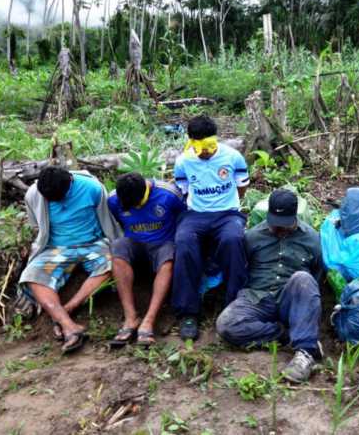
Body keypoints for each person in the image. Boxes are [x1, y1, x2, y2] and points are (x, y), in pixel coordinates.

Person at [216, 189, 324, 383]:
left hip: (289, 298)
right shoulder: (253, 236)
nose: (279, 229)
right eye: (275, 224)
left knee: (304, 278)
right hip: (257, 297)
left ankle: (306, 353)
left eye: (284, 225)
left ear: (295, 217)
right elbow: (241, 270)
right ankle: (284, 335)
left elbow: (316, 277)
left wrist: (302, 302)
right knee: (226, 324)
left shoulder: (312, 239)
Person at [18, 167, 121, 353]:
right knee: (32, 275)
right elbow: (36, 225)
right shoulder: (34, 194)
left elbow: (109, 220)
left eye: (58, 197)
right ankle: (69, 326)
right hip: (56, 248)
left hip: (94, 243)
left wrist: (117, 245)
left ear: (70, 184)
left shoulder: (92, 188)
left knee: (112, 264)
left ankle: (68, 309)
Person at [172, 115, 250, 341]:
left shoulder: (233, 157)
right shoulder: (183, 161)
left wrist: (226, 205)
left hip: (227, 214)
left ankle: (235, 305)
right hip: (196, 214)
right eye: (200, 147)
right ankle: (188, 312)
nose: (205, 152)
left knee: (233, 240)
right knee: (184, 243)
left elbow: (241, 187)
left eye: (209, 146)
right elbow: (184, 190)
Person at [107, 172, 186, 347]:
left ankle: (149, 320)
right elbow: (120, 222)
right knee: (118, 247)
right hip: (134, 242)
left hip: (162, 243)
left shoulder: (169, 194)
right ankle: (130, 317)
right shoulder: (113, 199)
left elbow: (184, 219)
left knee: (168, 259)